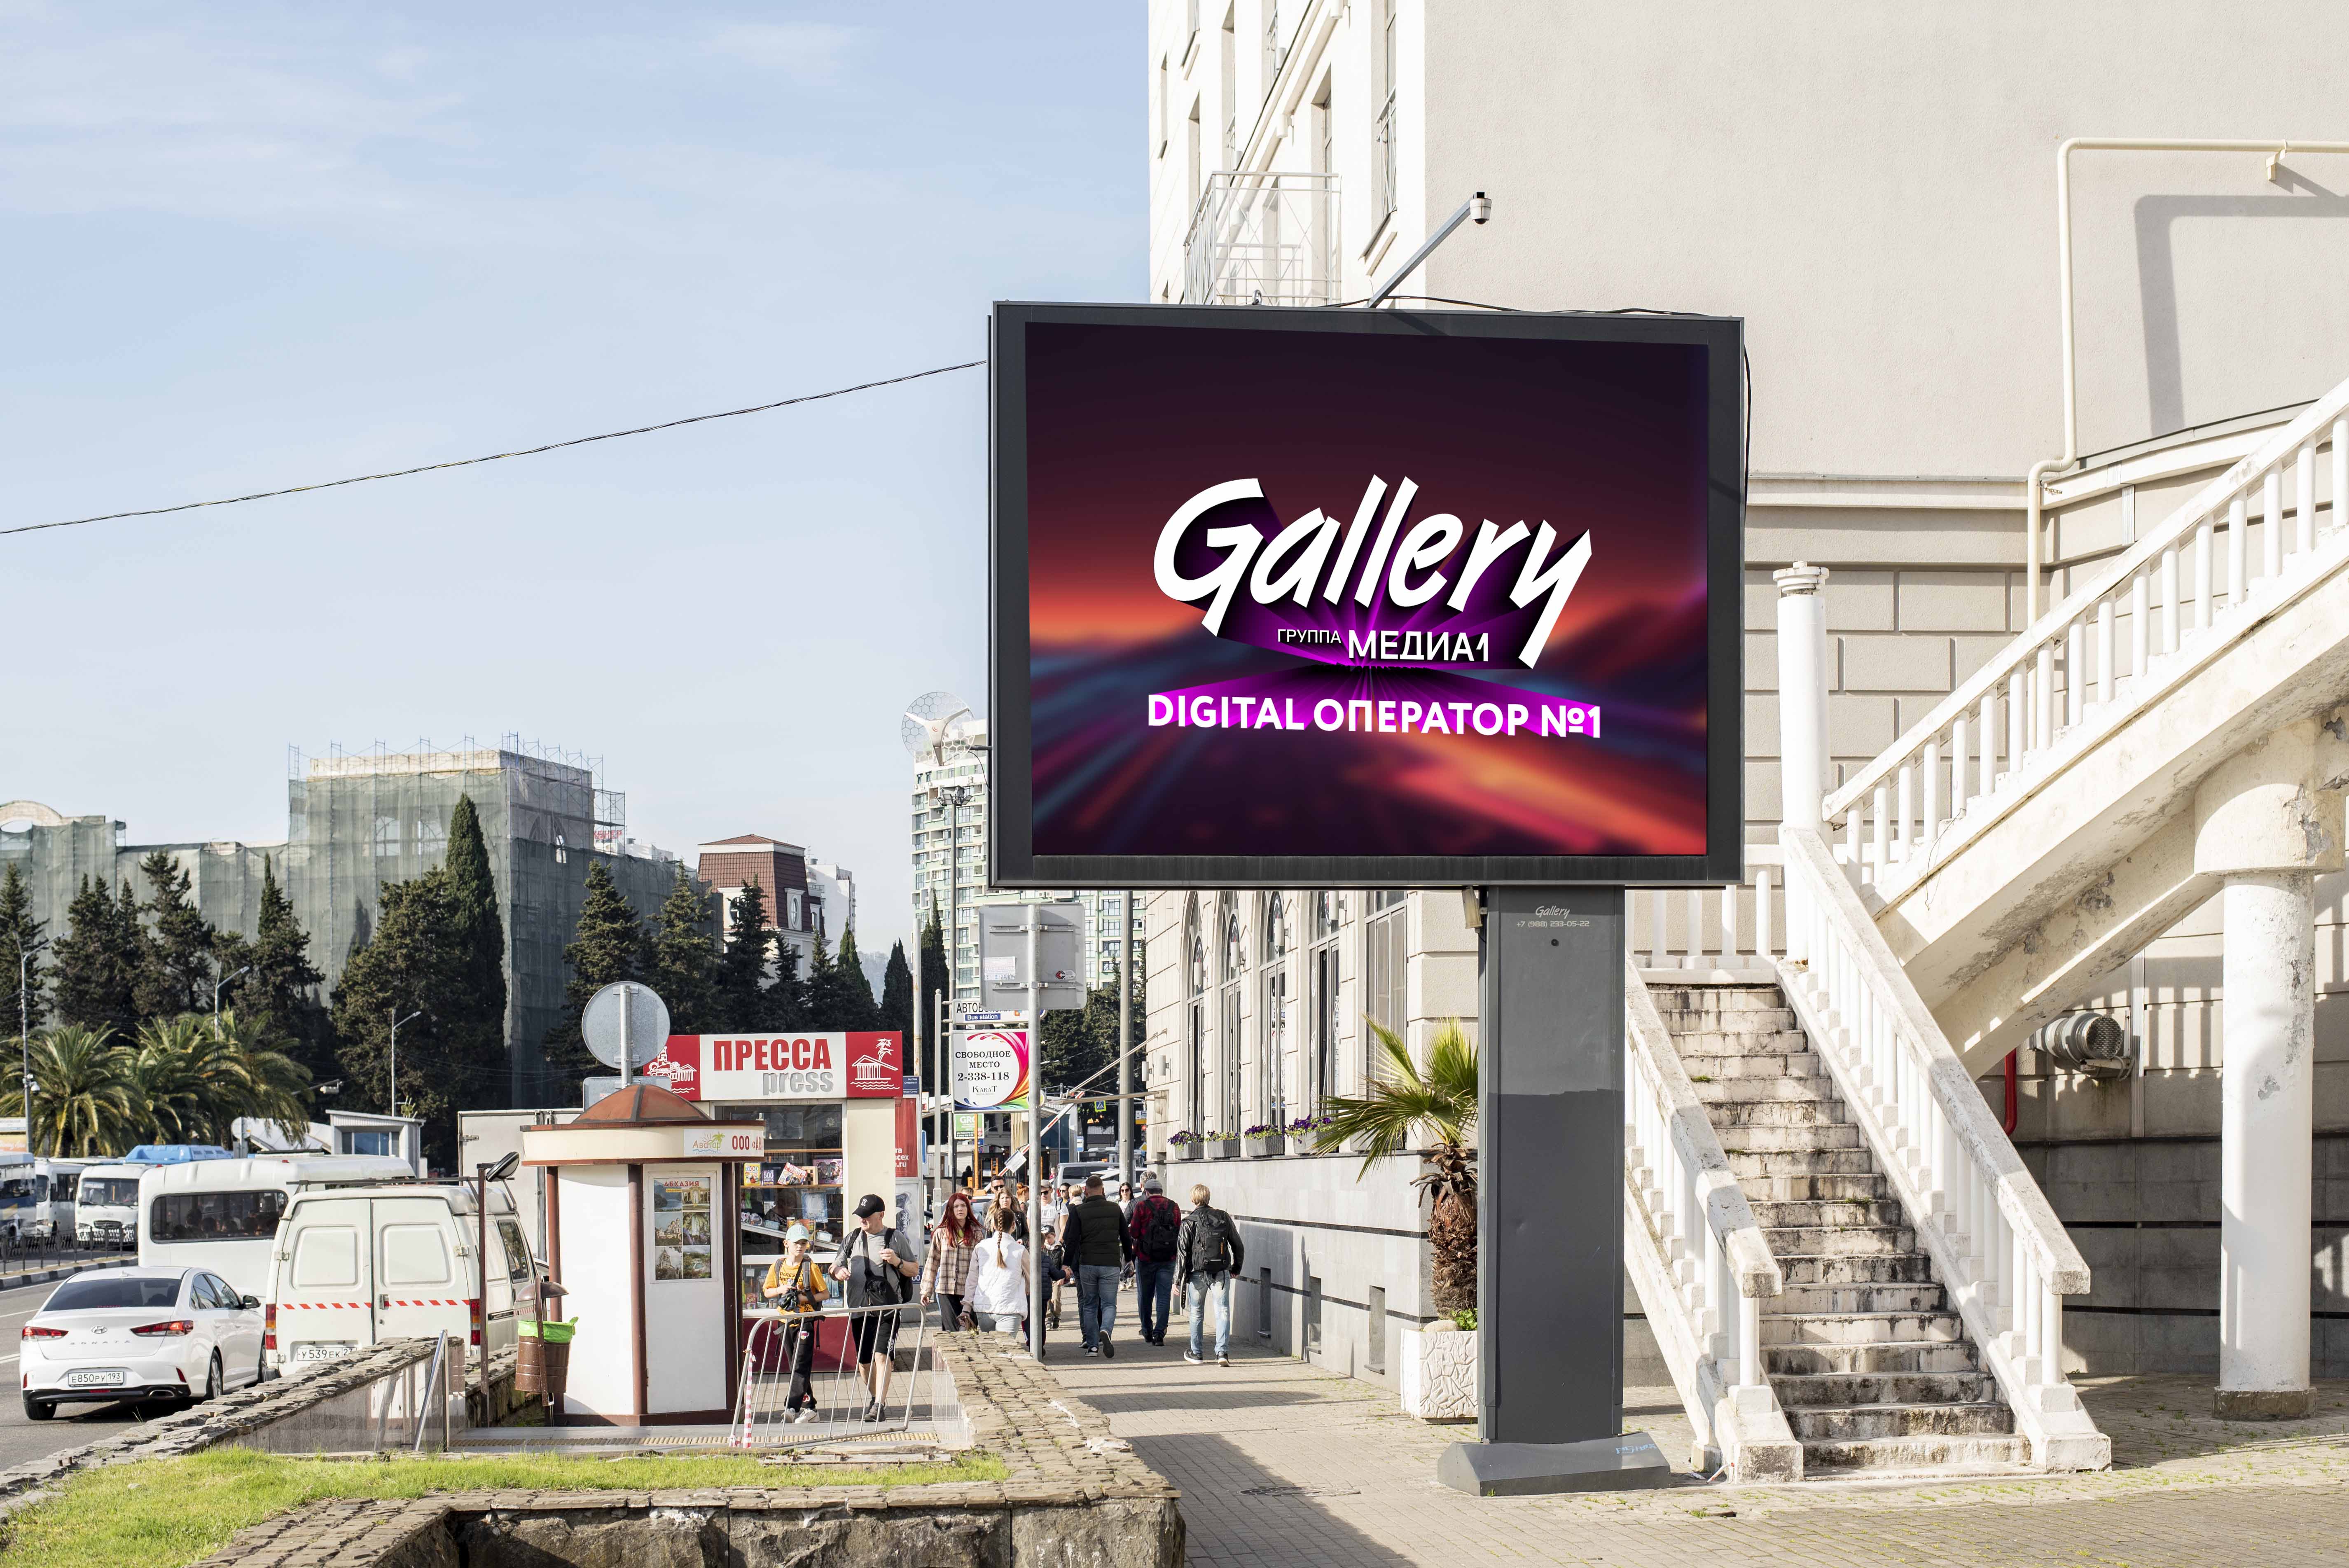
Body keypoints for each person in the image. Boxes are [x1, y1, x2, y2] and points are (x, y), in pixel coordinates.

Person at [832, 1193, 920, 1421]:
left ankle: (878, 1406)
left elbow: (914, 1270)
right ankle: (876, 1397)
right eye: (860, 1215)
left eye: (867, 1216)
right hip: (858, 1309)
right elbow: (835, 1265)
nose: (862, 1219)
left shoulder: (895, 1238)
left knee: (882, 1356)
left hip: (888, 1310)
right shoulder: (852, 1238)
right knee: (864, 1363)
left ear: (881, 1215)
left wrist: (897, 1262)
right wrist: (838, 1272)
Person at [1060, 1174, 1134, 1356]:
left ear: (1085, 1191)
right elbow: (1126, 1237)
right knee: (1109, 1304)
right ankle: (1106, 1331)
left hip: (1088, 1264)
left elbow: (1072, 1241)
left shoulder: (1079, 1211)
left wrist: (1066, 1264)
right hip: (1110, 1264)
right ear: (1102, 1190)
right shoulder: (1115, 1209)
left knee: (1090, 1305)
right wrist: (1130, 1259)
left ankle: (1093, 1346)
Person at [1174, 1182, 1245, 1367]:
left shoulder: (1189, 1222)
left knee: (1196, 1313)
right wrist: (1236, 1269)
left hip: (1197, 1274)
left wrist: (1177, 1280)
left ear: (1192, 1200)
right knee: (1223, 1311)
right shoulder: (1223, 1217)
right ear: (1208, 1198)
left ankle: (1196, 1353)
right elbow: (1238, 1245)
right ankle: (1222, 1352)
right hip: (1221, 1272)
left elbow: (1182, 1253)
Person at [760, 1225, 826, 1423]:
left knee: (801, 1364)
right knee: (796, 1366)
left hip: (806, 1321)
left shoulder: (810, 1267)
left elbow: (825, 1294)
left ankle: (792, 1407)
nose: (801, 1247)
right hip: (785, 1321)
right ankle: (811, 1408)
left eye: (804, 1243)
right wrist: (782, 1290)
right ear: (786, 1244)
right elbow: (767, 1292)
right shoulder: (778, 1266)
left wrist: (801, 1298)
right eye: (797, 1243)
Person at [1126, 1177, 1183, 1346]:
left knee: (1145, 1295)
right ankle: (1160, 1333)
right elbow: (1179, 1230)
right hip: (1168, 1258)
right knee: (1164, 1297)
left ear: (1146, 1192)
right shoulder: (1174, 1207)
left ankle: (1147, 1330)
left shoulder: (1142, 1206)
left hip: (1145, 1258)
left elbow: (1135, 1232)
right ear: (1162, 1192)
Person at [921, 1189, 982, 1331]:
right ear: (950, 1210)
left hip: (968, 1290)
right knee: (951, 1331)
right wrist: (926, 1291)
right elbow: (932, 1262)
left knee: (969, 1330)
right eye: (956, 1206)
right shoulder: (941, 1232)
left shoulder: (976, 1232)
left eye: (963, 1206)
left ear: (968, 1209)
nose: (960, 1209)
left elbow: (981, 1264)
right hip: (946, 1289)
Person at [968, 1203, 1029, 1340]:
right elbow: (1032, 1279)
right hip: (1010, 1308)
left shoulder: (980, 1247)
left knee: (990, 1351)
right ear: (1014, 1226)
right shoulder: (1020, 1251)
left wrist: (967, 1304)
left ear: (994, 1225)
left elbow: (972, 1280)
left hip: (984, 1308)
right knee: (1006, 1351)